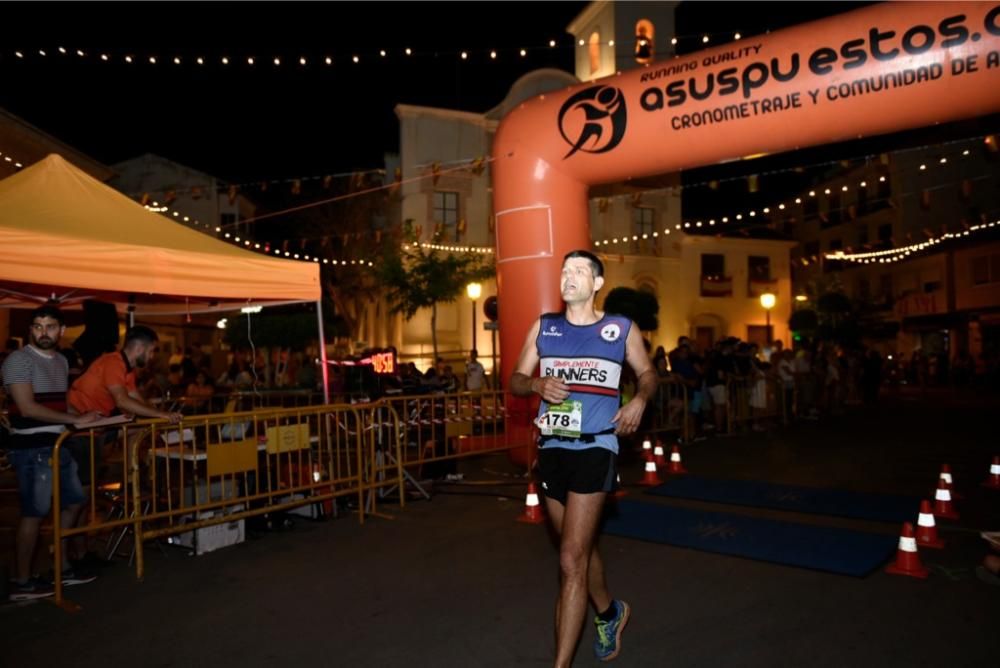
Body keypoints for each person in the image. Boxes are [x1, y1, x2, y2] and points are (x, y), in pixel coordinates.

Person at [510, 250, 656, 666]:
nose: (568, 276)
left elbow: (648, 373)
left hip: (596, 445)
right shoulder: (545, 327)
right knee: (579, 548)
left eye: (579, 271)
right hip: (553, 448)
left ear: (596, 284)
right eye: (564, 270)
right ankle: (610, 612)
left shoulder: (619, 328)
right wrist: (535, 384)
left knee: (570, 558)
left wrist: (640, 400)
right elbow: (516, 380)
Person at [2, 305, 102, 600]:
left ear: (61, 330)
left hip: (59, 443)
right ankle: (22, 581)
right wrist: (74, 419)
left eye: (49, 326)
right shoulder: (18, 360)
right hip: (31, 447)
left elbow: (59, 405)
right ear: (29, 329)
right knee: (34, 513)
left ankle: (61, 566)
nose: (43, 332)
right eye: (37, 326)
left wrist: (84, 415)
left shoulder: (60, 361)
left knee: (74, 502)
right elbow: (28, 407)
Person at [68, 325, 183, 424]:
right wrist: (160, 414)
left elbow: (135, 397)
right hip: (79, 418)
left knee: (139, 429)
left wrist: (160, 412)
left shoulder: (127, 368)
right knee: (137, 428)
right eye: (151, 351)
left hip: (95, 420)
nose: (152, 356)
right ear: (139, 348)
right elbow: (122, 400)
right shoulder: (114, 362)